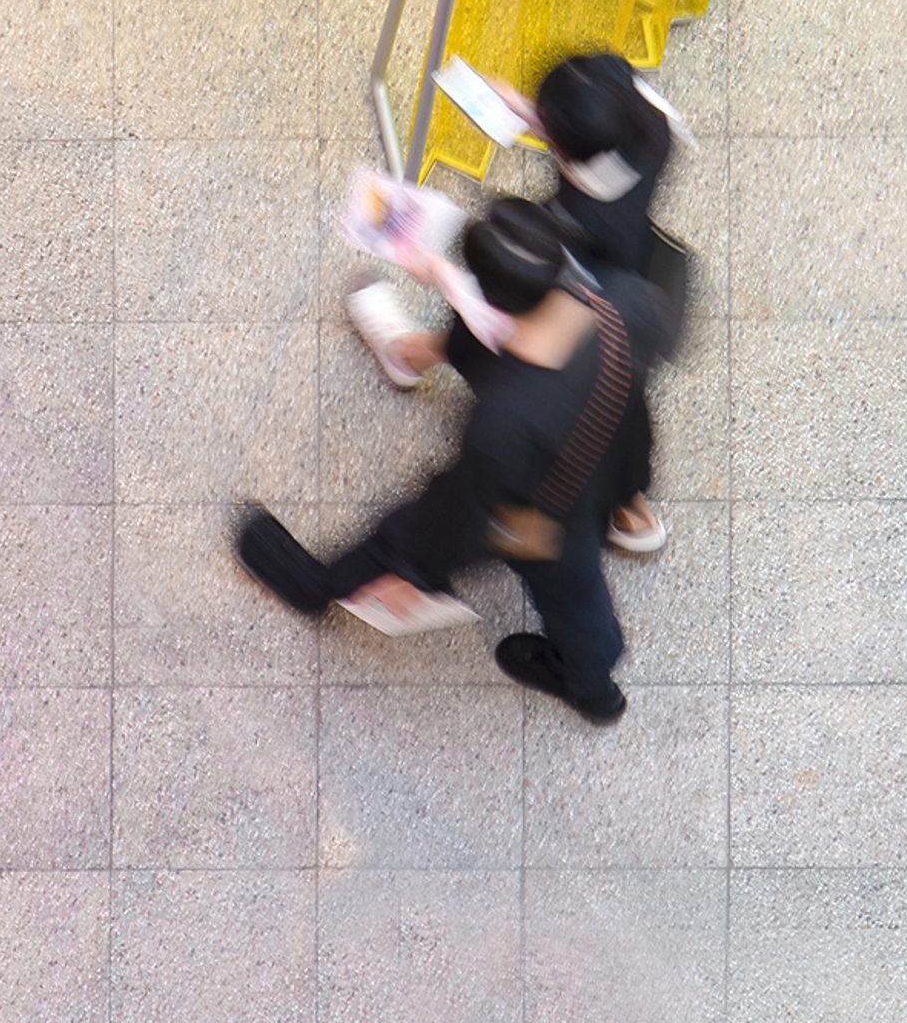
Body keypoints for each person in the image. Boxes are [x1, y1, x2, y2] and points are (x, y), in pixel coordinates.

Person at [236, 199, 649, 725]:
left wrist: (414, 569)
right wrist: (632, 489)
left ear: (495, 298)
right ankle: (594, 682)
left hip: (543, 516)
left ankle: (592, 689)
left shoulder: (501, 425)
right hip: (607, 462)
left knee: (536, 575)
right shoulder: (618, 303)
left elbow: (458, 517)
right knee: (576, 588)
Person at [345, 50, 681, 558]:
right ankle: (631, 515)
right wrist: (538, 118)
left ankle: (407, 355)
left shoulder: (576, 225)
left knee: (478, 342)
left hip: (577, 317)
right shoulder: (652, 131)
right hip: (630, 309)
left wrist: (443, 274)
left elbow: (515, 312)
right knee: (620, 418)